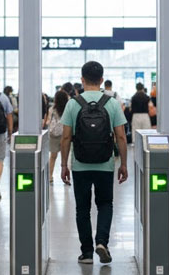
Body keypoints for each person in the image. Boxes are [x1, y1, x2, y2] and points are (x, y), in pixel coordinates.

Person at [60, 61, 128, 265]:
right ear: (101, 80)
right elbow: (121, 137)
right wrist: (123, 164)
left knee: (82, 208)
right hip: (105, 163)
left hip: (80, 164)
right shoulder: (112, 103)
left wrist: (64, 165)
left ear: (82, 80)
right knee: (105, 204)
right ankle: (102, 242)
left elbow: (65, 138)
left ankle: (87, 253)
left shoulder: (73, 103)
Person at [44, 90, 69, 184]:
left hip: (53, 135)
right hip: (65, 134)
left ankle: (50, 176)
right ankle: (66, 176)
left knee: (53, 156)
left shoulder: (52, 109)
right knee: (66, 157)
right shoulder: (68, 108)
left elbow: (48, 121)